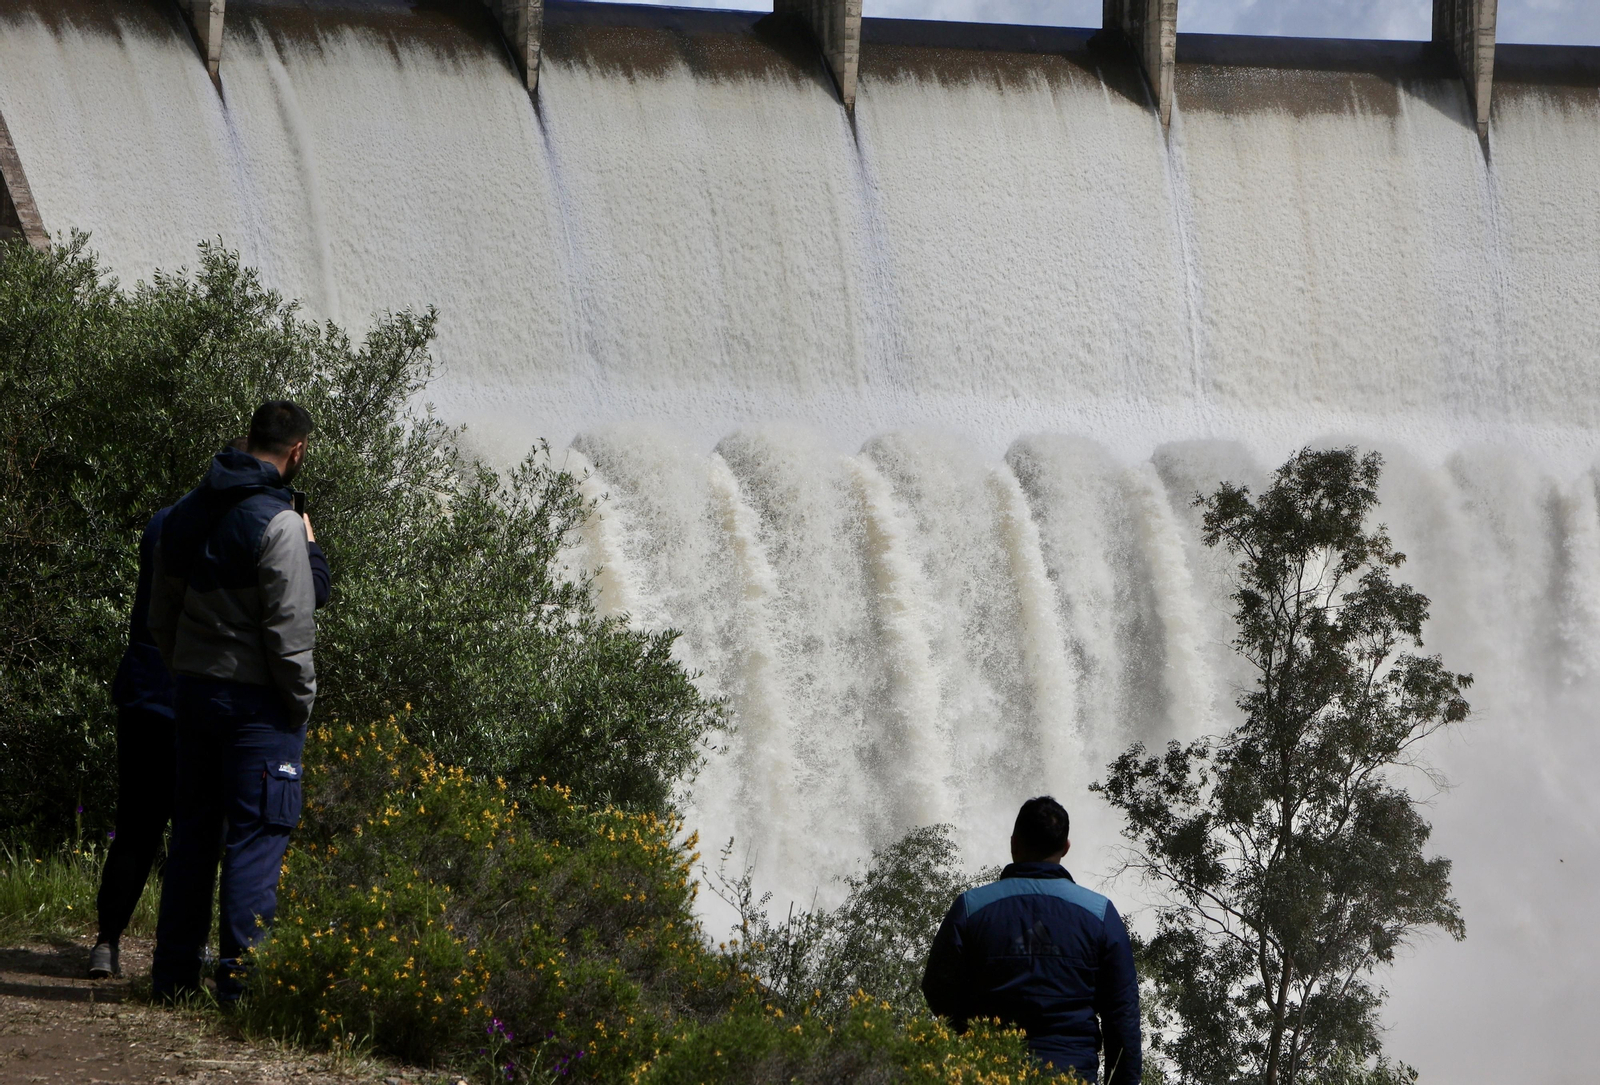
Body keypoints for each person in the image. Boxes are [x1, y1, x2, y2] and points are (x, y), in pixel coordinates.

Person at [87, 453, 330, 980]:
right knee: (216, 831)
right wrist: (310, 551)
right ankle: (223, 972)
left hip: (151, 690)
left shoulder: (169, 522)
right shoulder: (250, 526)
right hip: (210, 694)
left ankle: (113, 944)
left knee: (142, 825)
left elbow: (158, 611)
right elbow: (294, 607)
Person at [146, 402, 319, 1002]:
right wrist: (299, 704)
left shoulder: (183, 514)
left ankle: (172, 980)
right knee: (256, 838)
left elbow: (161, 615)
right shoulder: (280, 524)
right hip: (259, 708)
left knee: (193, 836)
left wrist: (187, 671)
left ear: (249, 439)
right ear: (296, 451)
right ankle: (241, 993)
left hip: (195, 693)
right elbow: (290, 633)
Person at [921, 796, 1141, 1083]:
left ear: (1014, 844)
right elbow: (1122, 1014)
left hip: (988, 1072)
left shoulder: (970, 908)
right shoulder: (1100, 914)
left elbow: (937, 988)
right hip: (1071, 1076)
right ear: (1066, 848)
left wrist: (971, 1036)